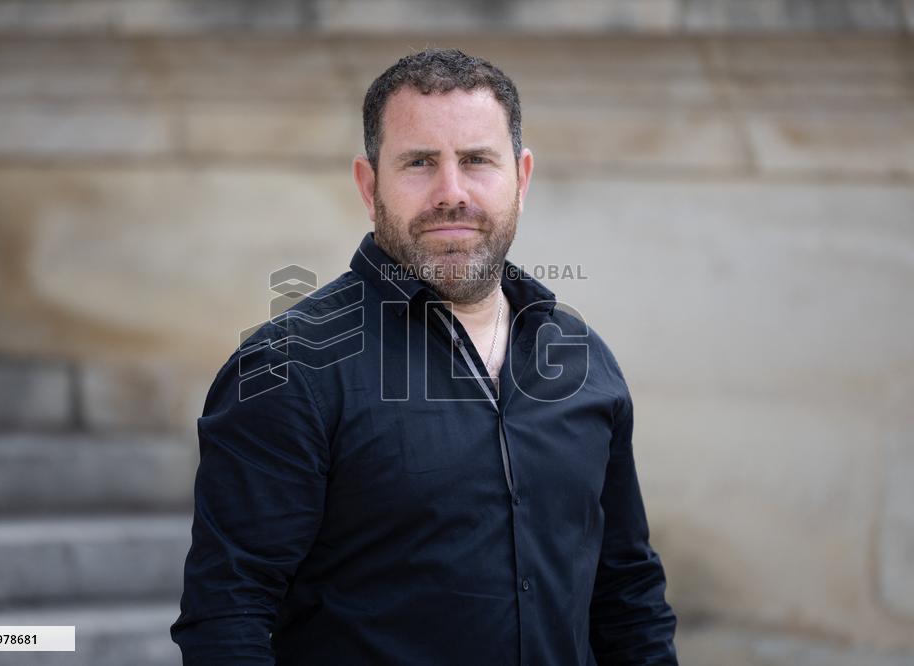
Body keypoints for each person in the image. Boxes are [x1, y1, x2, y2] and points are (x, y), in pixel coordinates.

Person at [171, 48, 678, 665]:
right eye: (419, 163)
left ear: (521, 178)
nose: (451, 193)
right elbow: (228, 617)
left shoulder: (580, 361)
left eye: (475, 161)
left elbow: (627, 597)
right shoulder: (288, 369)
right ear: (368, 183)